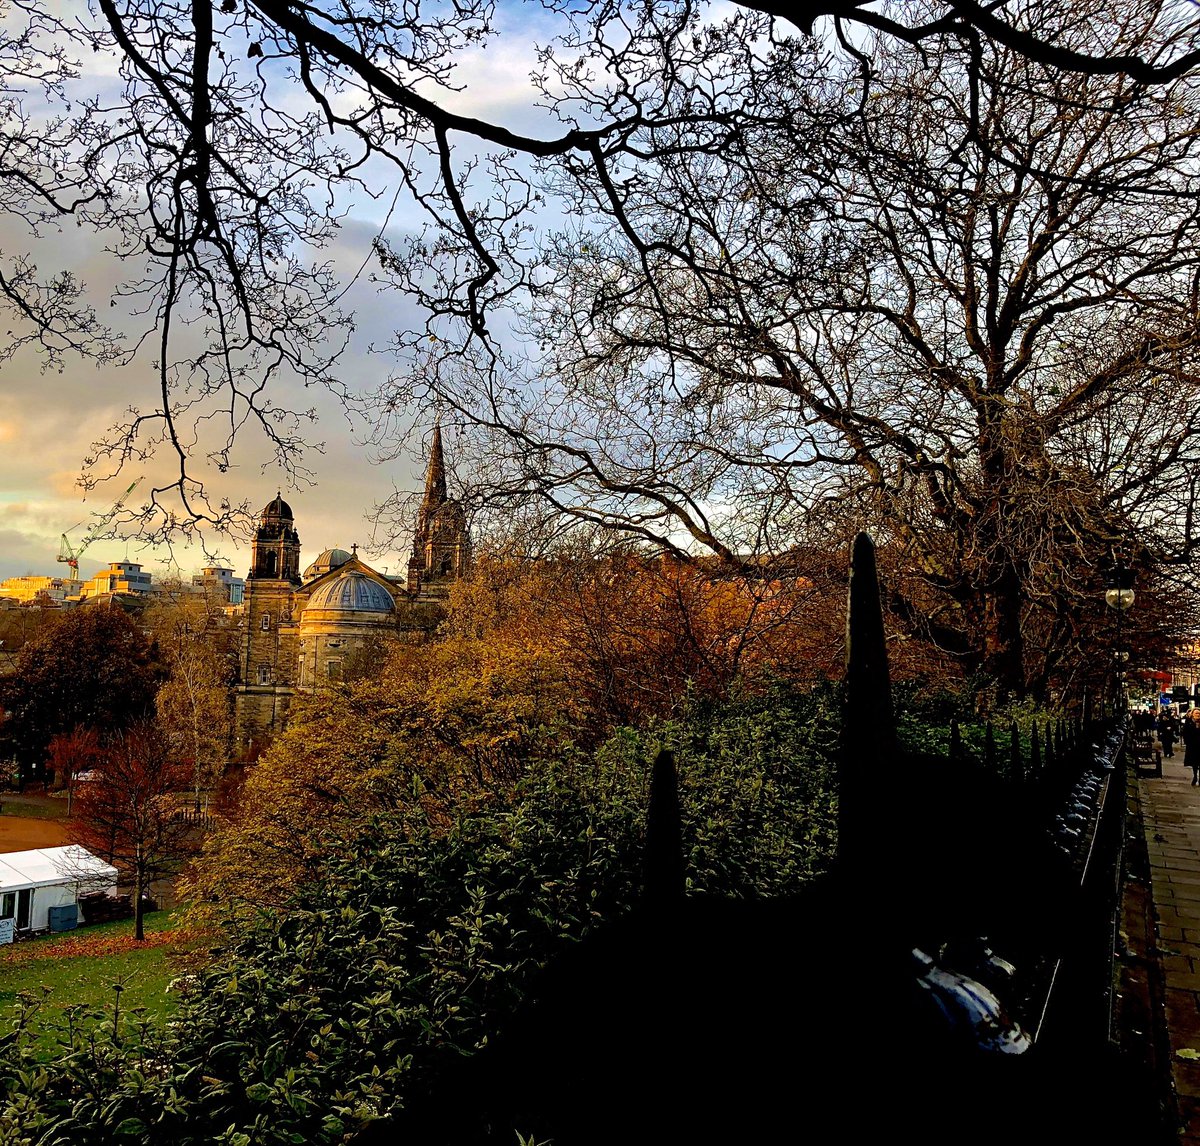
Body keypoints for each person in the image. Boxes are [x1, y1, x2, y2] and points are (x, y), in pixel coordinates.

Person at [1182, 708, 1200, 785]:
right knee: (1194, 763)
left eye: (1199, 713)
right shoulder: (1188, 722)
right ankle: (1195, 776)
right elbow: (1185, 733)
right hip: (1192, 746)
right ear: (1192, 714)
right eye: (1196, 713)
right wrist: (1188, 742)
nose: (1198, 715)